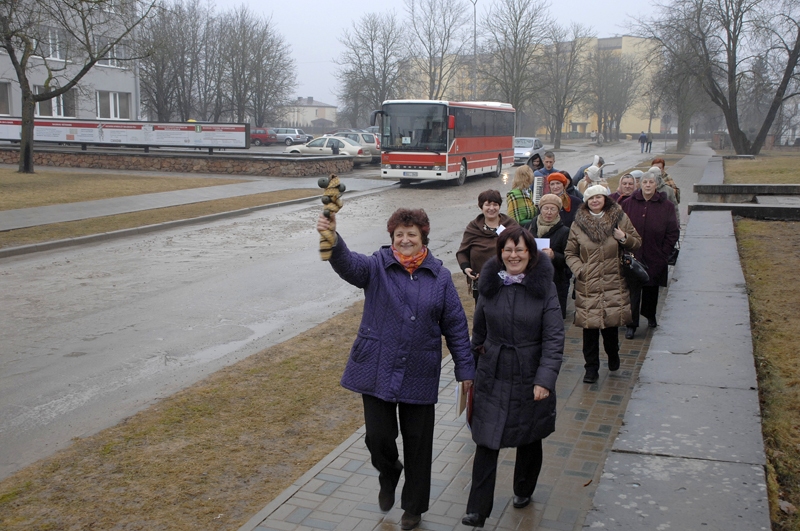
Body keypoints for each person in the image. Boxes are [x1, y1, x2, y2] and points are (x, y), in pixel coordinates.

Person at [317, 208, 476, 531]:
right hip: (377, 367)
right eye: (399, 235)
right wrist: (332, 237)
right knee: (378, 436)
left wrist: (466, 370)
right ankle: (389, 471)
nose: (405, 240)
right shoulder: (377, 266)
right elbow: (347, 263)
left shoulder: (440, 277)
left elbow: (456, 325)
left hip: (420, 370)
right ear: (392, 238)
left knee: (418, 443)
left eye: (411, 235)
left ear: (423, 239)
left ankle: (413, 508)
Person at [461, 226, 564, 529]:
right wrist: (469, 370)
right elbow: (478, 331)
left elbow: (555, 338)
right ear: (500, 252)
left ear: (530, 253)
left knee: (528, 436)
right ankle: (477, 510)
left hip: (529, 372)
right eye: (507, 249)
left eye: (519, 249)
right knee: (486, 438)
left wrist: (544, 380)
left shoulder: (544, 287)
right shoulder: (490, 284)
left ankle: (524, 488)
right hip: (492, 371)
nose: (513, 255)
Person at [565, 185, 641, 384]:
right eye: (591, 198)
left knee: (610, 327)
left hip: (613, 281)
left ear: (605, 199)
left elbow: (637, 242)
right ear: (586, 202)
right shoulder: (578, 224)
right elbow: (570, 253)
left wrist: (623, 237)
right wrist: (580, 270)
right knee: (589, 329)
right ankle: (591, 369)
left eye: (598, 197)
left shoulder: (620, 218)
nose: (595, 201)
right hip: (587, 284)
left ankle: (613, 356)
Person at [620, 172, 680, 338]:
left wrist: (664, 253)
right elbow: (619, 228)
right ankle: (631, 324)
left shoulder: (665, 205)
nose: (647, 185)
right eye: (644, 182)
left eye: (651, 182)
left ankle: (650, 315)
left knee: (651, 288)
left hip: (655, 254)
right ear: (640, 184)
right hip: (633, 254)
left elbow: (672, 231)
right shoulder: (628, 203)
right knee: (632, 291)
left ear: (656, 185)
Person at [457, 190, 519, 302]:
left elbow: (521, 248)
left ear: (499, 206)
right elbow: (462, 252)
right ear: (481, 206)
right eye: (487, 204)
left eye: (495, 204)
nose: (491, 208)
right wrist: (466, 268)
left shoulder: (511, 225)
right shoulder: (473, 227)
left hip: (507, 281)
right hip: (481, 281)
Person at [525, 193, 571, 318]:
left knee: (552, 318)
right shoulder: (530, 226)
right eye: (546, 208)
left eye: (553, 209)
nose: (549, 212)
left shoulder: (564, 231)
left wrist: (554, 255)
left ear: (558, 211)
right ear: (540, 209)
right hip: (531, 278)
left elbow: (569, 259)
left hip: (555, 281)